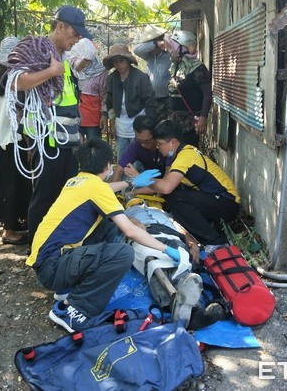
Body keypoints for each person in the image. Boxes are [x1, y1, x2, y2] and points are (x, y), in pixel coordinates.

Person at [26, 138, 177, 333]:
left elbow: (106, 189)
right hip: (54, 267)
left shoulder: (76, 181)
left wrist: (131, 182)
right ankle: (73, 311)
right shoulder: (96, 188)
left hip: (46, 263)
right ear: (108, 166)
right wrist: (167, 249)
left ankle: (65, 289)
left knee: (106, 225)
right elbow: (129, 230)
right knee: (123, 253)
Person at [3, 5, 91, 238]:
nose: (77, 39)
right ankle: (37, 249)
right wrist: (51, 72)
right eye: (75, 33)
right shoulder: (36, 48)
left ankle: (58, 243)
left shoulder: (64, 58)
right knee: (45, 196)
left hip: (67, 141)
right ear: (60, 27)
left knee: (67, 194)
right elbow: (15, 82)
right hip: (48, 140)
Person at [123, 201, 227, 329]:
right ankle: (178, 307)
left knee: (183, 266)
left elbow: (181, 230)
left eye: (140, 200)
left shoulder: (161, 212)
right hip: (145, 236)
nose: (138, 202)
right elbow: (123, 226)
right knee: (155, 266)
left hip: (172, 236)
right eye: (133, 201)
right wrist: (131, 219)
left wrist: (193, 244)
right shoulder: (126, 214)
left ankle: (194, 309)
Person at [148, 120, 241, 249]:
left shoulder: (184, 157)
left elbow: (166, 187)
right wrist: (134, 187)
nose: (158, 148)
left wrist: (142, 179)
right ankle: (207, 230)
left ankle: (215, 241)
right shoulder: (185, 152)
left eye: (160, 144)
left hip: (227, 203)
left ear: (173, 142)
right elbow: (165, 185)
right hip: (221, 200)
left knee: (175, 197)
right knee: (176, 193)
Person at [0, 36, 32, 245]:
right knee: (11, 186)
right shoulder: (13, 84)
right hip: (10, 141)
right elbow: (19, 117)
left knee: (13, 184)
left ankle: (14, 222)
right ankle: (9, 230)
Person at [103, 43, 156, 161]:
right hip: (121, 127)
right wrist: (112, 124)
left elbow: (150, 103)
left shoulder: (141, 77)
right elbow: (110, 103)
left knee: (139, 162)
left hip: (139, 126)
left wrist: (149, 128)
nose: (118, 64)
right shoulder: (112, 78)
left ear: (128, 60)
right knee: (123, 161)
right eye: (115, 61)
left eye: (121, 60)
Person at [163, 30, 212, 147]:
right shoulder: (177, 66)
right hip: (174, 121)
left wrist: (203, 117)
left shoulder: (198, 68)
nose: (169, 50)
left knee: (188, 153)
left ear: (184, 47)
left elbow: (207, 95)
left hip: (189, 122)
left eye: (173, 47)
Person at [65, 38, 108, 141]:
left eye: (88, 61)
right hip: (73, 117)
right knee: (75, 150)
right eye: (83, 60)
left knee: (93, 148)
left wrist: (104, 114)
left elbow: (104, 95)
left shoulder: (100, 72)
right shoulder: (69, 68)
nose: (85, 64)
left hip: (93, 119)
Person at [110, 115, 172, 183]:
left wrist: (136, 189)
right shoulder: (136, 146)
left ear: (155, 135)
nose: (143, 145)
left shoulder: (167, 147)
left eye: (147, 141)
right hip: (150, 182)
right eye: (139, 141)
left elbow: (167, 183)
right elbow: (119, 169)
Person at [133, 25, 171, 124]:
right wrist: (155, 43)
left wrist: (161, 44)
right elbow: (136, 50)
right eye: (148, 43)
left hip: (167, 100)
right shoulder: (149, 56)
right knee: (151, 127)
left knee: (164, 129)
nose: (150, 47)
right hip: (151, 100)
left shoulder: (170, 54)